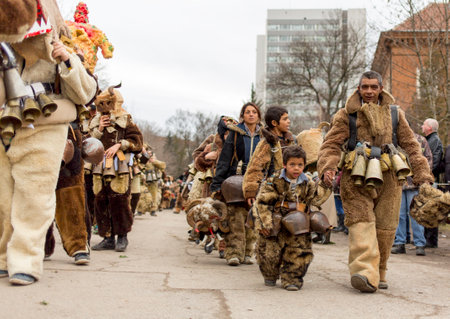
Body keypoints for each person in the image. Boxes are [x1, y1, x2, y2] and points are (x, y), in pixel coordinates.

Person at [0, 0, 97, 285]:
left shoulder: (62, 43)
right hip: (6, 124)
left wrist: (67, 59)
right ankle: (3, 257)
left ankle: (26, 261)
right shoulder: (5, 45)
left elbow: (85, 92)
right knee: (4, 199)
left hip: (46, 123)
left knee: (34, 198)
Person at [317, 71, 434, 293]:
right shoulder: (346, 115)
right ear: (359, 89)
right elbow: (330, 144)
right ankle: (363, 272)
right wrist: (328, 167)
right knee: (361, 223)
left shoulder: (395, 114)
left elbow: (411, 146)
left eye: (373, 87)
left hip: (390, 177)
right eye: (364, 87)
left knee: (386, 228)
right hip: (355, 177)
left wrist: (423, 177)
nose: (369, 91)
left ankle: (379, 271)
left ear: (381, 88)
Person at [254, 145, 327, 290]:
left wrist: (326, 185)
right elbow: (262, 202)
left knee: (299, 251)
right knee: (269, 253)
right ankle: (270, 274)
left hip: (298, 224)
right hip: (277, 222)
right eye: (292, 164)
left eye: (300, 165)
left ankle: (292, 278)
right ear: (284, 164)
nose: (296, 168)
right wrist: (264, 223)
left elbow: (316, 199)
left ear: (304, 165)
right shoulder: (273, 181)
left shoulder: (308, 182)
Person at [89, 86, 143, 252]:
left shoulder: (126, 120)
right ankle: (107, 238)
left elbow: (138, 143)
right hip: (100, 165)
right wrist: (98, 130)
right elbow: (88, 143)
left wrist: (120, 145)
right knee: (101, 200)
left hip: (120, 166)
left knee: (119, 199)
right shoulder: (96, 121)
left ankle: (122, 237)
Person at [211, 102, 262, 266]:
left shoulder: (265, 135)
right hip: (236, 178)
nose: (251, 114)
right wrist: (217, 184)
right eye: (247, 112)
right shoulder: (235, 133)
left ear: (258, 116)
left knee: (253, 215)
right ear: (243, 115)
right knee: (236, 216)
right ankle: (233, 253)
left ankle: (248, 252)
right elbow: (224, 159)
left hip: (257, 180)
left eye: (254, 112)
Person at [243, 106, 295, 206]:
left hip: (290, 189)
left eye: (288, 118)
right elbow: (254, 167)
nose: (288, 121)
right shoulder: (266, 144)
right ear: (274, 123)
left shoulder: (290, 141)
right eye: (285, 119)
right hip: (271, 190)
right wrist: (250, 192)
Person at [391, 131, 433, 256]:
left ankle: (420, 244)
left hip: (415, 184)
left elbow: (428, 159)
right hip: (399, 183)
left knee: (416, 215)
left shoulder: (420, 140)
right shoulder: (395, 140)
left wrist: (424, 176)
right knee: (399, 215)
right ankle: (400, 243)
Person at [421, 118, 443, 248]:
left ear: (429, 128)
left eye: (424, 124)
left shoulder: (434, 141)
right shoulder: (429, 140)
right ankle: (425, 238)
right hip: (428, 179)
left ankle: (431, 239)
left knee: (431, 210)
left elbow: (433, 161)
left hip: (431, 180)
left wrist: (425, 174)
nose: (422, 126)